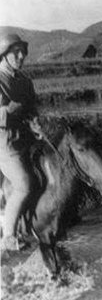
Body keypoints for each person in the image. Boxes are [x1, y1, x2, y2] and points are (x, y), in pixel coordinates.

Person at [0, 33, 41, 252]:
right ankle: (8, 236)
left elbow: (33, 109)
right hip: (3, 142)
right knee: (24, 184)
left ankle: (35, 226)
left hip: (25, 137)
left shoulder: (25, 81)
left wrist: (36, 124)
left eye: (22, 52)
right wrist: (7, 111)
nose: (21, 56)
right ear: (4, 55)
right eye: (15, 52)